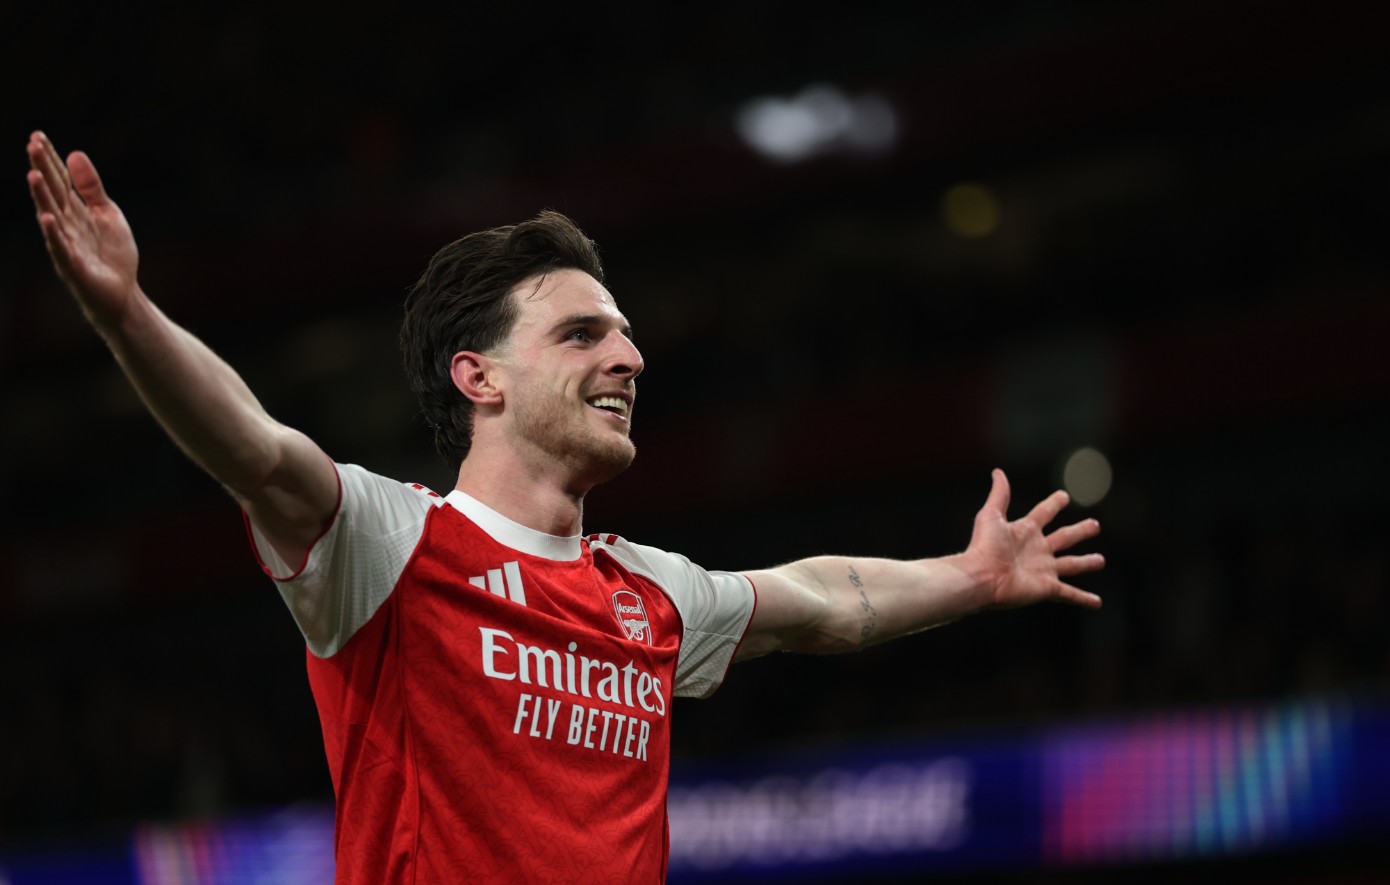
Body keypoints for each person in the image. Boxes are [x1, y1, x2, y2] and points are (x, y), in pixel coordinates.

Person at [25, 129, 1104, 883]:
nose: (629, 357)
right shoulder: (391, 544)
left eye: (625, 335)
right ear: (479, 378)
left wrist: (971, 577)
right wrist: (128, 316)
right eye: (582, 334)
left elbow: (822, 601)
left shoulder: (648, 594)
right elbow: (255, 451)